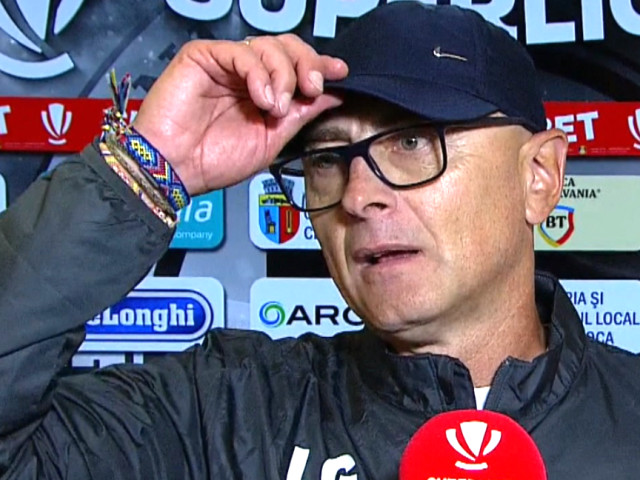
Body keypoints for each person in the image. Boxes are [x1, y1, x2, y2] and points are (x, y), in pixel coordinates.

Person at [0, 2, 639, 479]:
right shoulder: (222, 414)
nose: (358, 196)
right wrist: (146, 168)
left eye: (411, 141)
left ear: (539, 177)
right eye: (329, 159)